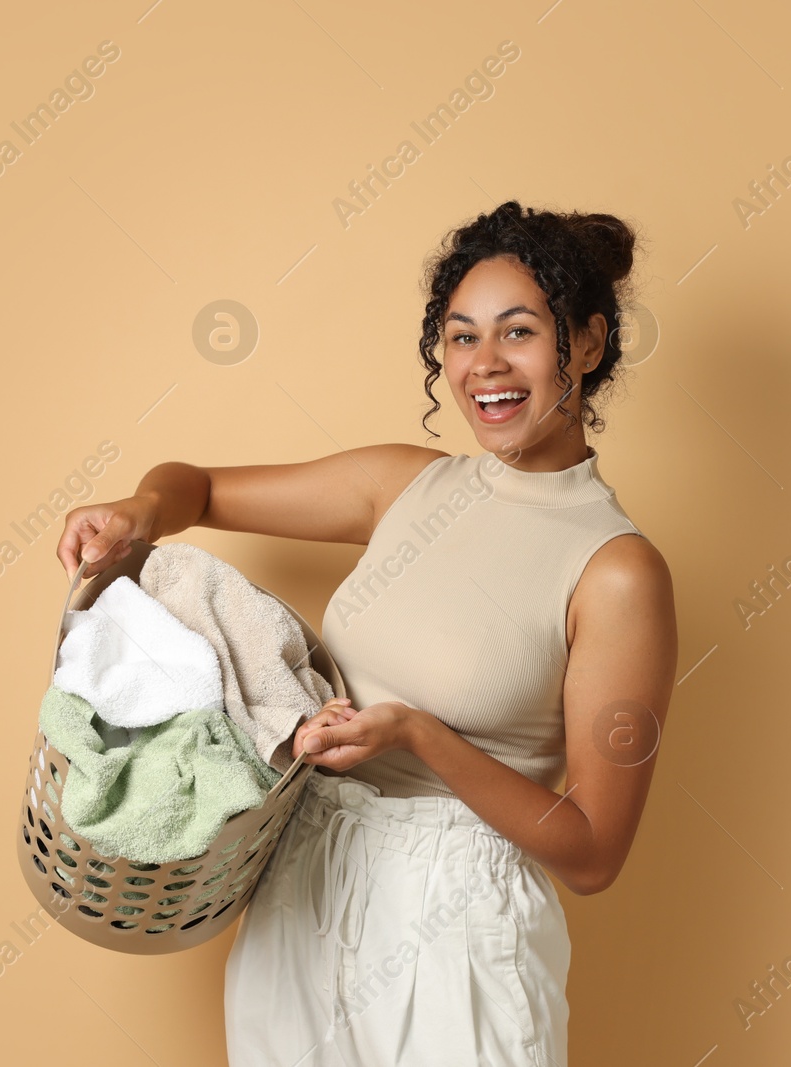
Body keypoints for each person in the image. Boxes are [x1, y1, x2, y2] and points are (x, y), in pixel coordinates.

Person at [56, 200, 677, 1067]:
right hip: (305, 871)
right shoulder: (404, 486)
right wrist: (139, 510)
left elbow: (594, 849)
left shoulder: (616, 572)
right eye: (460, 338)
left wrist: (418, 732)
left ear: (586, 344)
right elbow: (192, 486)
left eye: (519, 332)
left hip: (457, 911)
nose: (485, 366)